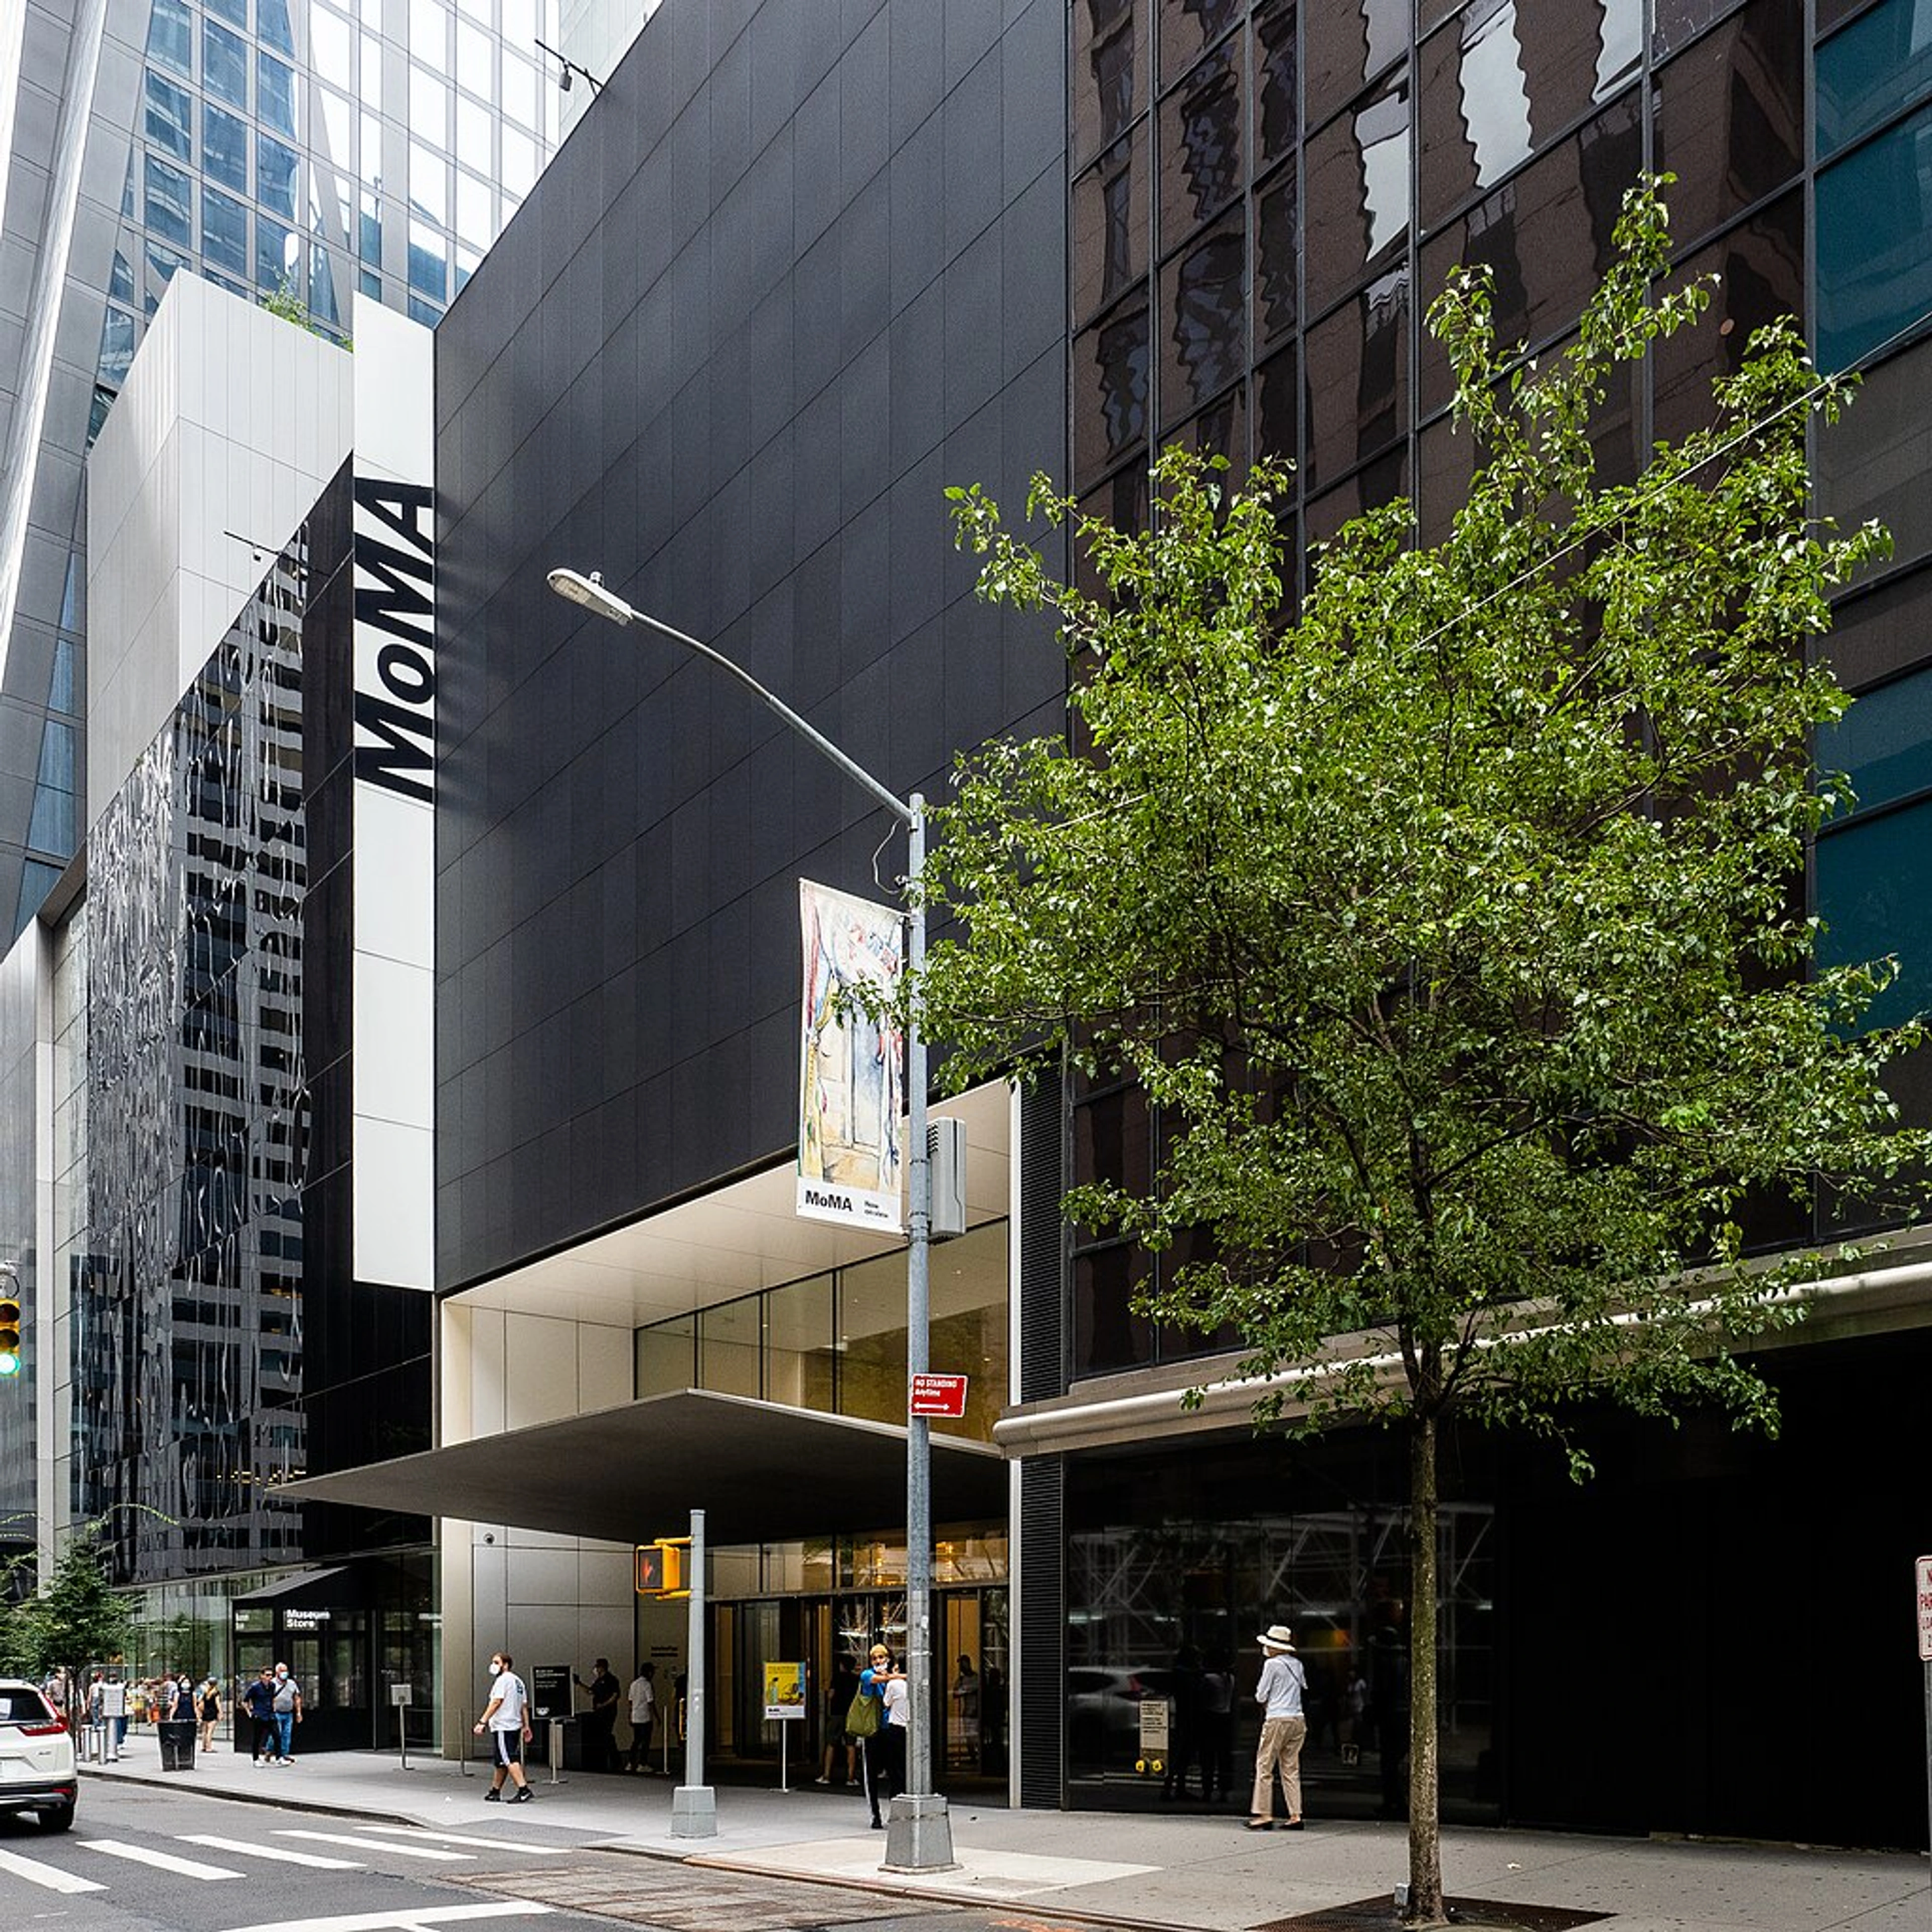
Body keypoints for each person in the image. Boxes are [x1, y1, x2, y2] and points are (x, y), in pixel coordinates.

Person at [1247, 1623, 1307, 1831]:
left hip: (1277, 1719)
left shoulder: (1272, 1665)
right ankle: (1295, 1815)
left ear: (1273, 1647)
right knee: (1291, 1768)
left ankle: (1264, 1814)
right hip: (1298, 1720)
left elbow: (1261, 1695)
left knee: (1264, 1766)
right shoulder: (1298, 1665)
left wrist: (1267, 1700)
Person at [473, 1648, 535, 1801]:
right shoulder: (518, 1681)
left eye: (496, 1663)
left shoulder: (503, 1680)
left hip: (503, 1726)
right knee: (501, 1761)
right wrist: (526, 1726)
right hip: (514, 1725)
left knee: (508, 1759)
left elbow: (496, 1702)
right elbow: (524, 1706)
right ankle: (495, 1791)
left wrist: (482, 1722)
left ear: (505, 1665)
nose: (493, 1666)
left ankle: (524, 1789)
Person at [857, 1643, 905, 1830]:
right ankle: (875, 1815)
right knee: (871, 1775)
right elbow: (875, 1680)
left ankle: (896, 1812)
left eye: (882, 1658)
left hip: (891, 1731)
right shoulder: (868, 1676)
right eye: (875, 1658)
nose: (878, 1661)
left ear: (887, 1659)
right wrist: (902, 1675)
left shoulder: (893, 1681)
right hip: (873, 1731)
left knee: (896, 1773)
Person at [816, 1655, 860, 1788]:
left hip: (837, 1715)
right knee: (851, 1745)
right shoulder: (856, 1680)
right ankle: (851, 1778)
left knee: (831, 1744)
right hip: (851, 1715)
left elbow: (831, 1695)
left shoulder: (837, 1678)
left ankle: (826, 1776)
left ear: (842, 1665)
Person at [1199, 1648, 1235, 1803]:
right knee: (1224, 1756)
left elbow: (1203, 1699)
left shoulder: (1209, 1679)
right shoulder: (1230, 1678)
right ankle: (1225, 1790)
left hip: (1210, 1718)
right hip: (1226, 1718)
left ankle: (1207, 1790)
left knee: (1208, 1756)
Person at [573, 1658, 621, 1772]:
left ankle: (616, 1761)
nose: (596, 1669)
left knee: (607, 1735)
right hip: (598, 1712)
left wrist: (603, 1705)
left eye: (598, 1667)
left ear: (602, 1668)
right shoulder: (598, 1681)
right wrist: (579, 1684)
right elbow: (591, 1691)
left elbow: (615, 1696)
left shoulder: (612, 1680)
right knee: (602, 1736)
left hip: (608, 1712)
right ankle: (605, 1760)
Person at [625, 1661, 657, 1773]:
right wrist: (656, 1716)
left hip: (635, 1716)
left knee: (636, 1741)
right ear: (649, 1672)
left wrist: (630, 1715)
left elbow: (630, 1701)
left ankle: (631, 1763)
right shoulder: (647, 1685)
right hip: (645, 1716)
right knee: (646, 1741)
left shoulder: (634, 1684)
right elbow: (650, 1702)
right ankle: (643, 1764)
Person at [270, 1661, 303, 1764]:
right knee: (277, 1733)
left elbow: (297, 1698)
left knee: (286, 1734)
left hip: (288, 1713)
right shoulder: (272, 1684)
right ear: (277, 1673)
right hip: (276, 1712)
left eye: (286, 1670)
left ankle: (284, 1754)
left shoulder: (292, 1684)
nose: (285, 1673)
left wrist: (298, 1713)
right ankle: (269, 1749)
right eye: (282, 1671)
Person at [242, 1667, 277, 1763]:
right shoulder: (255, 1687)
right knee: (258, 1738)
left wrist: (274, 1708)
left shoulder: (273, 1686)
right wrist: (250, 1713)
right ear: (262, 1676)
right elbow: (245, 1701)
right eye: (267, 1675)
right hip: (259, 1715)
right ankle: (256, 1759)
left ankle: (279, 1757)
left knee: (277, 1735)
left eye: (271, 1675)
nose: (270, 1677)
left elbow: (273, 1698)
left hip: (270, 1715)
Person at [198, 1677, 222, 1753]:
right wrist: (220, 1712)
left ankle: (204, 1747)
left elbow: (199, 1701)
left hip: (205, 1712)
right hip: (213, 1712)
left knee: (205, 1731)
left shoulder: (205, 1692)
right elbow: (217, 1703)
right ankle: (209, 1748)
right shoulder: (216, 1693)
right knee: (210, 1731)